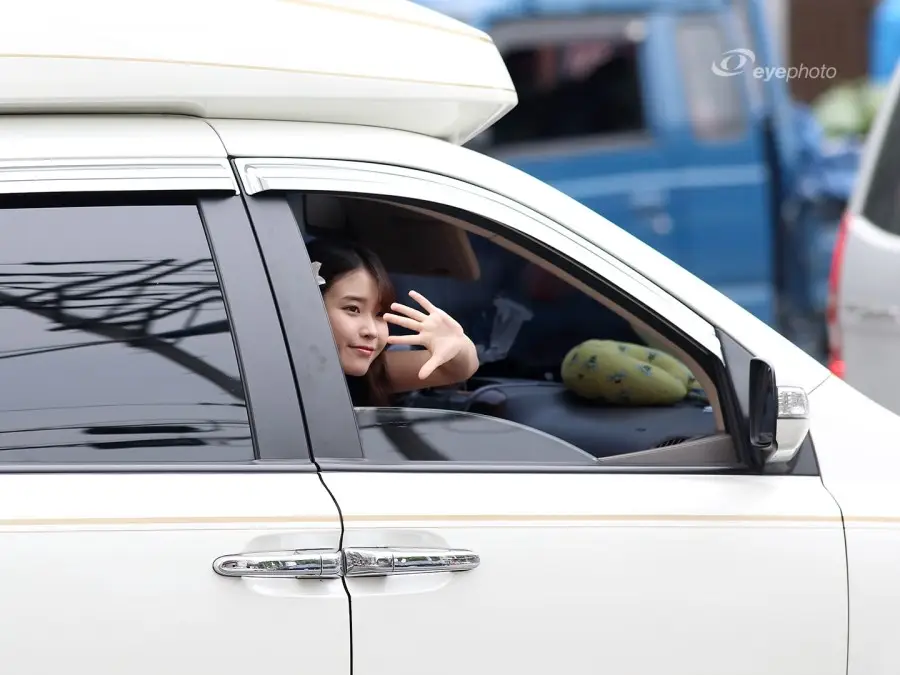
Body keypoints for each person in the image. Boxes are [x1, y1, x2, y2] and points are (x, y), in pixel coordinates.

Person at [307, 238, 480, 407]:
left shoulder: (372, 373)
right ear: (308, 305)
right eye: (353, 309)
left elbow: (459, 369)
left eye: (380, 314)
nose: (372, 331)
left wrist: (457, 346)